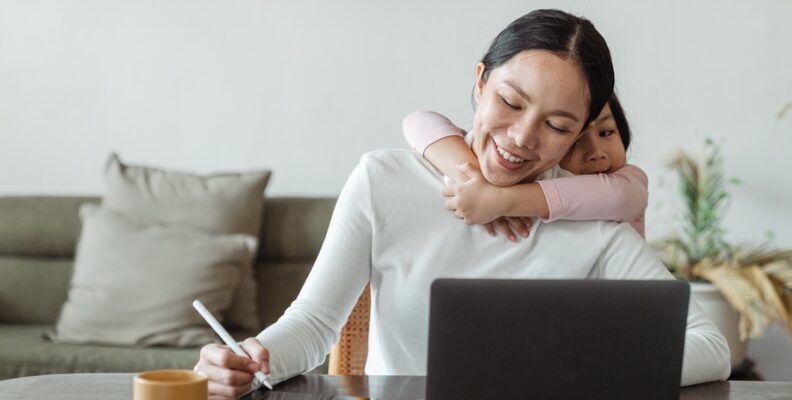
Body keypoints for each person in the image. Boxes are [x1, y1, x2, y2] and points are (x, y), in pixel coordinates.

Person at [194, 9, 731, 398]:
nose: (522, 138)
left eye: (557, 125)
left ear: (579, 135)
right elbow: (313, 325)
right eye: (510, 102)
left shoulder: (593, 222)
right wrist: (247, 359)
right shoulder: (384, 181)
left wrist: (583, 368)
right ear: (479, 82)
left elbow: (710, 346)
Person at [402, 93, 647, 241]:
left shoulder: (628, 182)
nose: (596, 153)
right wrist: (474, 181)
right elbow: (418, 121)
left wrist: (499, 199)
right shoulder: (533, 173)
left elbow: (618, 197)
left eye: (607, 132)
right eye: (575, 141)